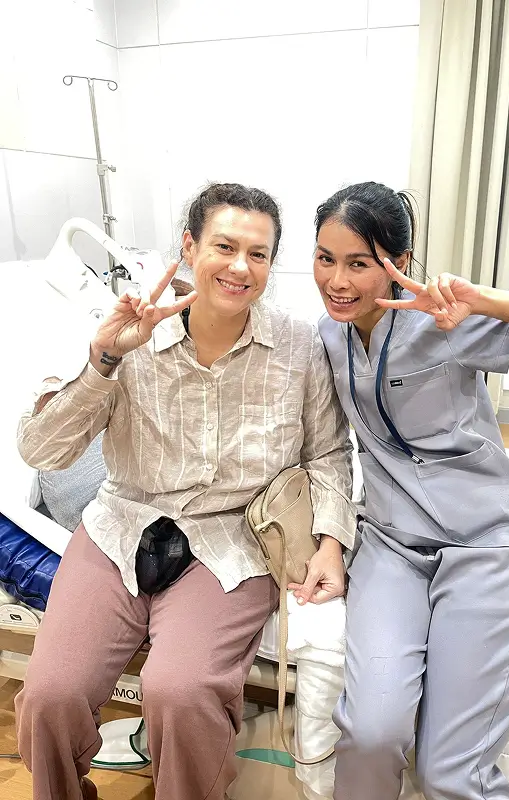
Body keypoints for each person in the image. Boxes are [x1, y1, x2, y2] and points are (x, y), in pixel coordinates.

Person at [16, 183, 356, 800]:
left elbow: (329, 451)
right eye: (224, 246)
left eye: (258, 254)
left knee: (181, 691)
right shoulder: (130, 331)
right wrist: (104, 360)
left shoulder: (299, 347)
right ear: (188, 245)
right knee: (49, 696)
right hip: (122, 527)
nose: (239, 267)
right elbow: (44, 452)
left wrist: (332, 540)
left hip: (231, 540)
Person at [296, 181, 509, 800]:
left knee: (450, 774)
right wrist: (330, 540)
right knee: (372, 733)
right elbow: (322, 445)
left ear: (399, 264)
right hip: (392, 548)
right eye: (325, 259)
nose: (338, 281)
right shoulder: (326, 338)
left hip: (485, 544)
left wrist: (481, 299)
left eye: (359, 263)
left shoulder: (446, 325)